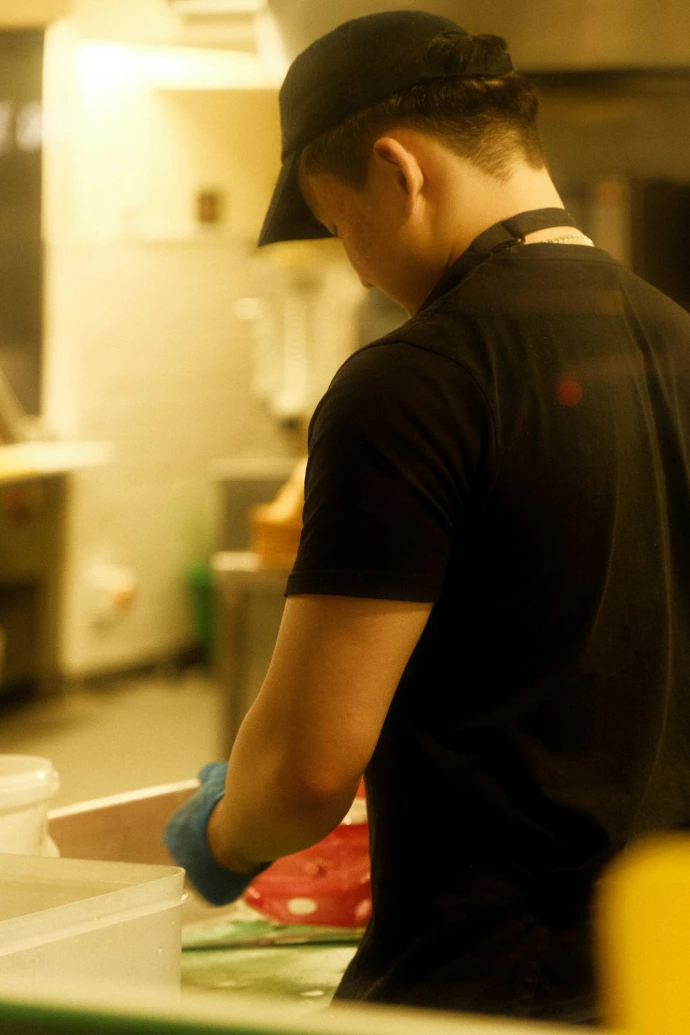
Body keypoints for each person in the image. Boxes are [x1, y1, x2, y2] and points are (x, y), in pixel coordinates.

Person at [165, 10, 690, 1026]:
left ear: (398, 170)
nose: (359, 269)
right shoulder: (679, 340)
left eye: (340, 222)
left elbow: (309, 772)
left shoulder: (413, 382)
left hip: (483, 986)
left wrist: (221, 834)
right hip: (659, 970)